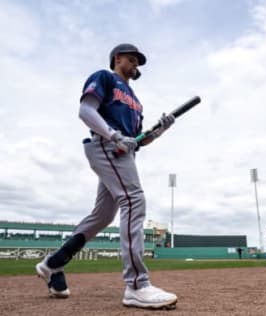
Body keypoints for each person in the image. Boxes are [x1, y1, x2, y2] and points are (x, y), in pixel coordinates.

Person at [36, 43, 177, 309]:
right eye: (132, 59)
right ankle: (137, 285)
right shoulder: (104, 77)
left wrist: (159, 130)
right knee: (134, 200)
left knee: (103, 216)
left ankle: (52, 264)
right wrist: (113, 136)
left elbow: (137, 140)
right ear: (117, 58)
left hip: (122, 152)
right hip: (107, 146)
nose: (136, 65)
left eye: (138, 62)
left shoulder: (136, 101)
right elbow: (86, 111)